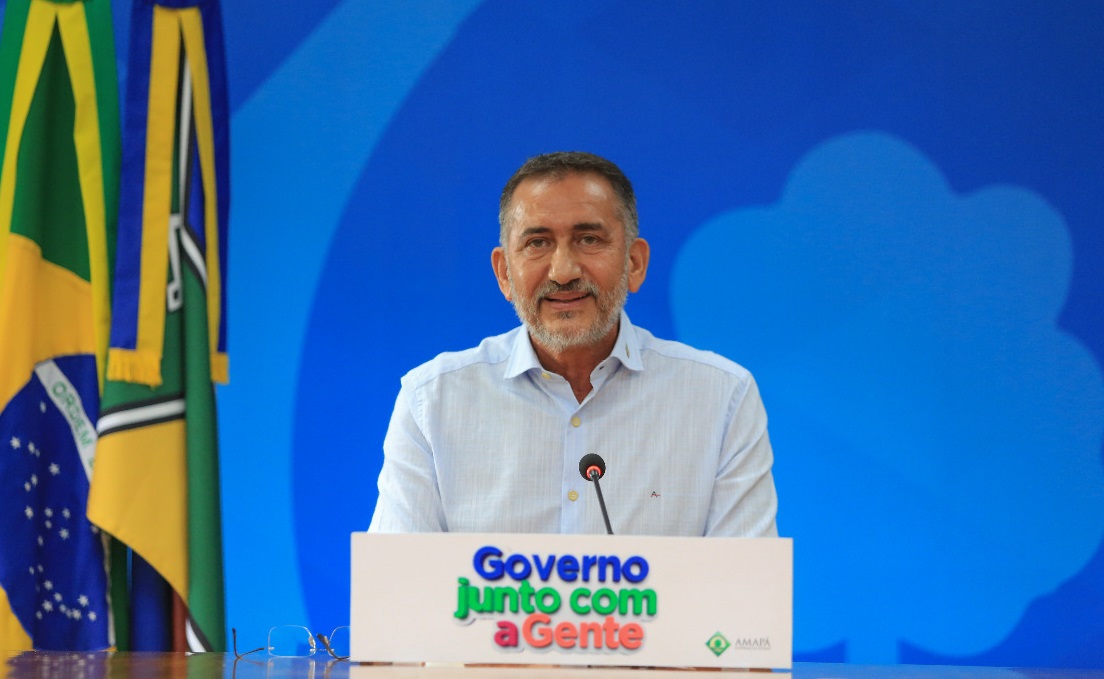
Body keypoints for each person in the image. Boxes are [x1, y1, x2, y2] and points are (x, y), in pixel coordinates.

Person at [368, 152, 777, 537]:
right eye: (537, 243)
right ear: (504, 273)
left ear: (634, 263)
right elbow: (396, 580)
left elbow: (745, 582)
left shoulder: (721, 397)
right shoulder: (432, 401)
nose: (563, 272)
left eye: (589, 239)